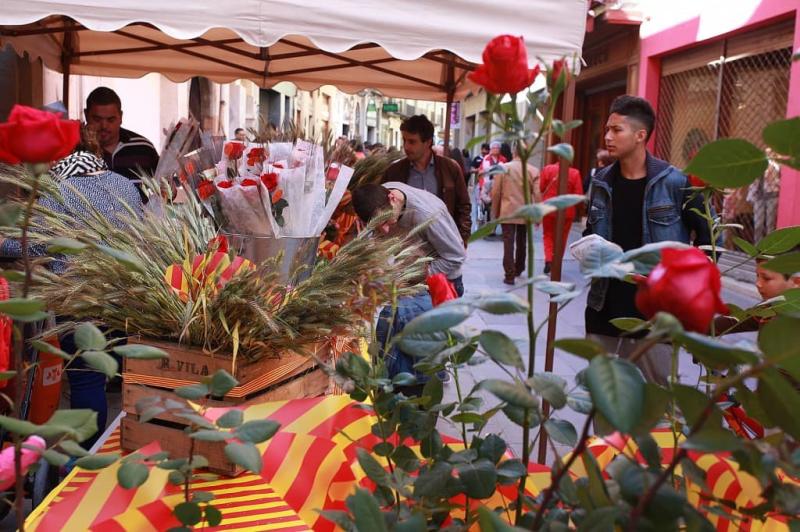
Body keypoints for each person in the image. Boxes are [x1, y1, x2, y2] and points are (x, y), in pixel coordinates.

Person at [0, 134, 144, 449]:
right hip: (124, 297)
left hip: (78, 299)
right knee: (111, 375)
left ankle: (83, 455)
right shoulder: (125, 185)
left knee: (86, 378)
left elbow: (33, 243)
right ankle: (103, 449)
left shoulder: (60, 191)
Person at [584, 95, 714, 385]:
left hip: (654, 314)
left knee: (659, 397)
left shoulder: (676, 183)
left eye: (616, 130)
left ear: (640, 135)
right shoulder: (601, 181)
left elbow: (710, 240)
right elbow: (591, 232)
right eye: (607, 129)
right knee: (602, 396)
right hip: (603, 307)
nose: (607, 137)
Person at [352, 182, 466, 393]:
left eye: (386, 221)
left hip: (443, 282)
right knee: (407, 351)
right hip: (408, 279)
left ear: (392, 198)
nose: (385, 230)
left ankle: (432, 382)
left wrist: (410, 277)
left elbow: (455, 257)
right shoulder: (377, 198)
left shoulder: (427, 215)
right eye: (377, 225)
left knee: (428, 350)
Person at [382, 115, 472, 246]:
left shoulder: (450, 168)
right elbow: (383, 206)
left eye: (412, 142)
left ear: (428, 142)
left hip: (444, 242)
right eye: (404, 140)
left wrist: (462, 239)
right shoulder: (394, 171)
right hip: (406, 245)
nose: (406, 146)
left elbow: (463, 206)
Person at [84, 87, 159, 199]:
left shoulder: (144, 149)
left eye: (111, 120)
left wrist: (170, 190)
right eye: (97, 119)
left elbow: (165, 192)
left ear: (121, 117)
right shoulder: (72, 149)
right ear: (86, 115)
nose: (104, 126)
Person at [492, 150, 541, 284]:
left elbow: (496, 192)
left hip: (508, 210)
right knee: (522, 240)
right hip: (525, 211)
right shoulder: (533, 170)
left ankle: (509, 274)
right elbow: (537, 194)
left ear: (514, 153)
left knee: (508, 242)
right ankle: (519, 267)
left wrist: (495, 212)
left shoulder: (503, 168)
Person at [540, 162, 583, 274]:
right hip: (566, 210)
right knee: (562, 238)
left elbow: (541, 187)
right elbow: (578, 194)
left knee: (548, 235)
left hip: (549, 208)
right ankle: (556, 263)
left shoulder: (548, 169)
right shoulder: (575, 173)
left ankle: (549, 258)